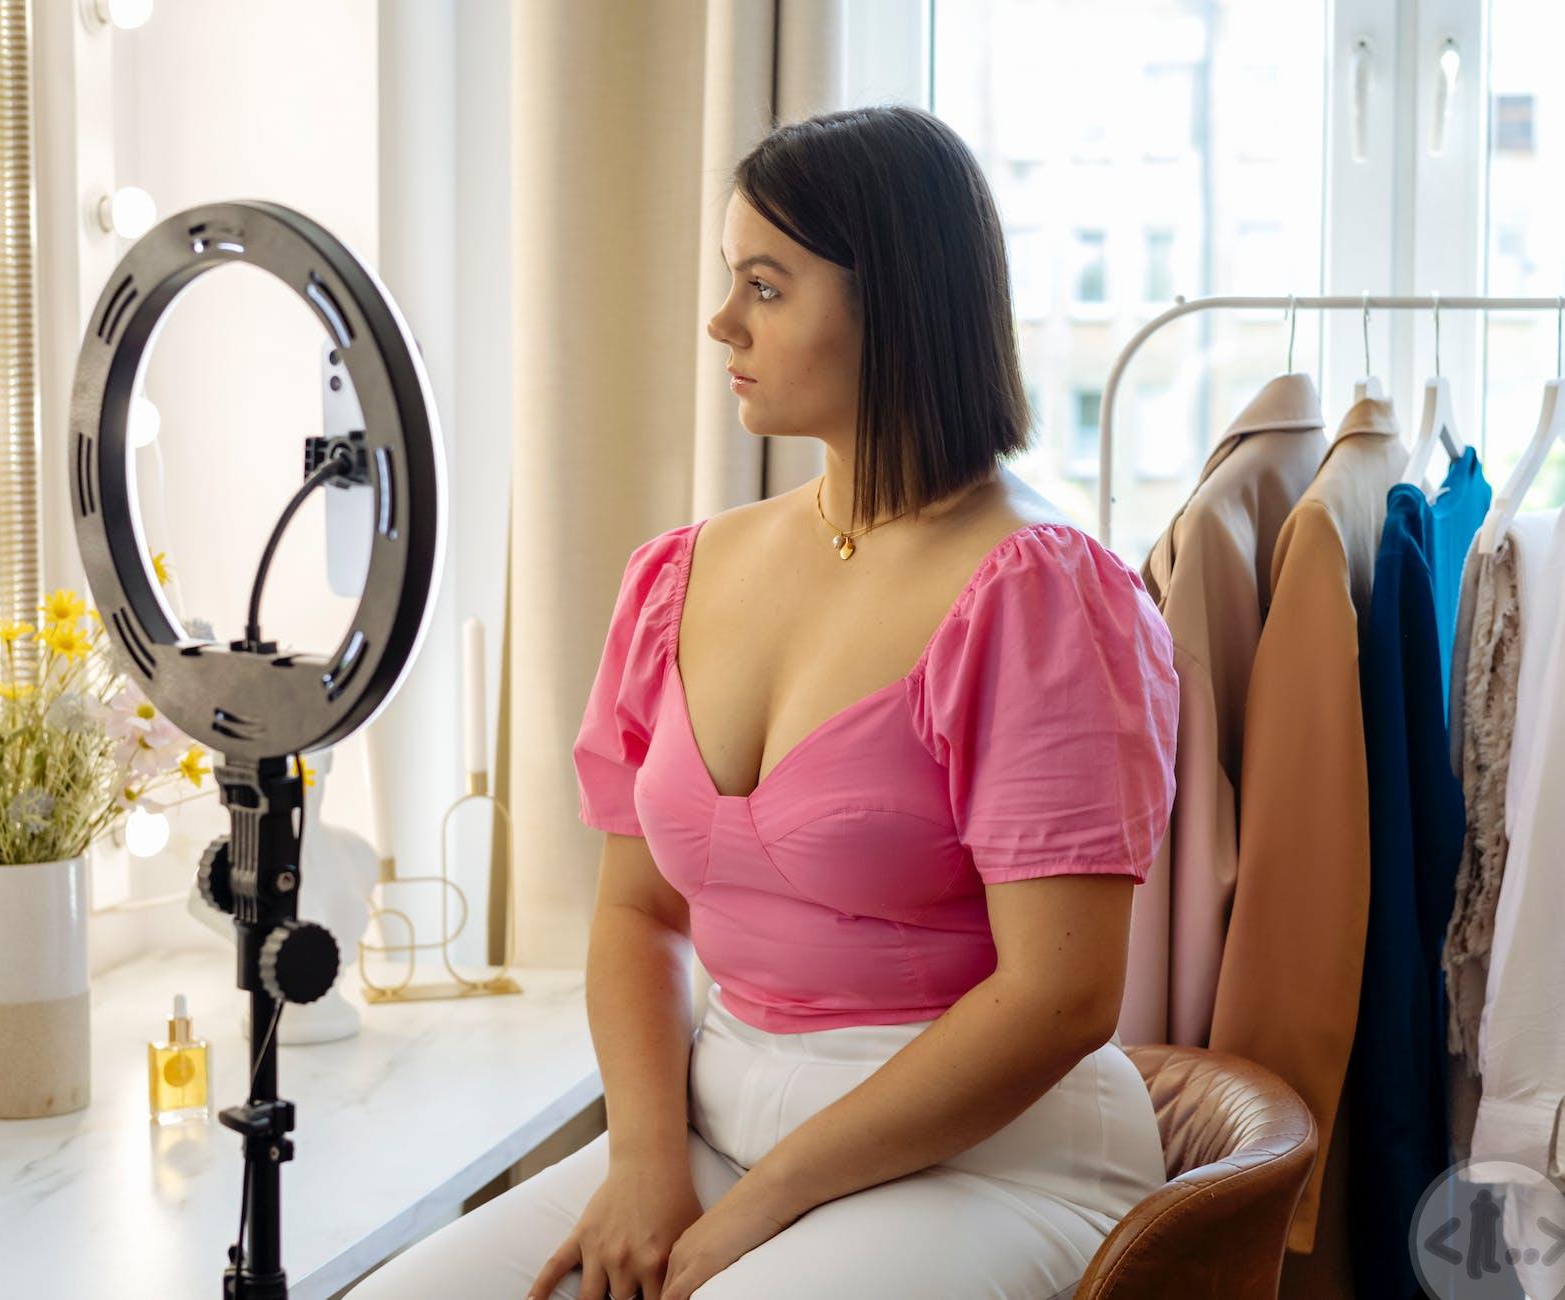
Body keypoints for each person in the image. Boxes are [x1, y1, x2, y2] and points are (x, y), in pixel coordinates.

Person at [347, 103, 1179, 1300]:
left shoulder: (1040, 593)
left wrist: (767, 1199)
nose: (721, 321)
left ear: (890, 301)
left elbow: (1060, 998)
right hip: (716, 1124)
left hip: (994, 1159)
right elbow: (638, 914)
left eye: (767, 285)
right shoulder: (682, 575)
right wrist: (641, 1160)